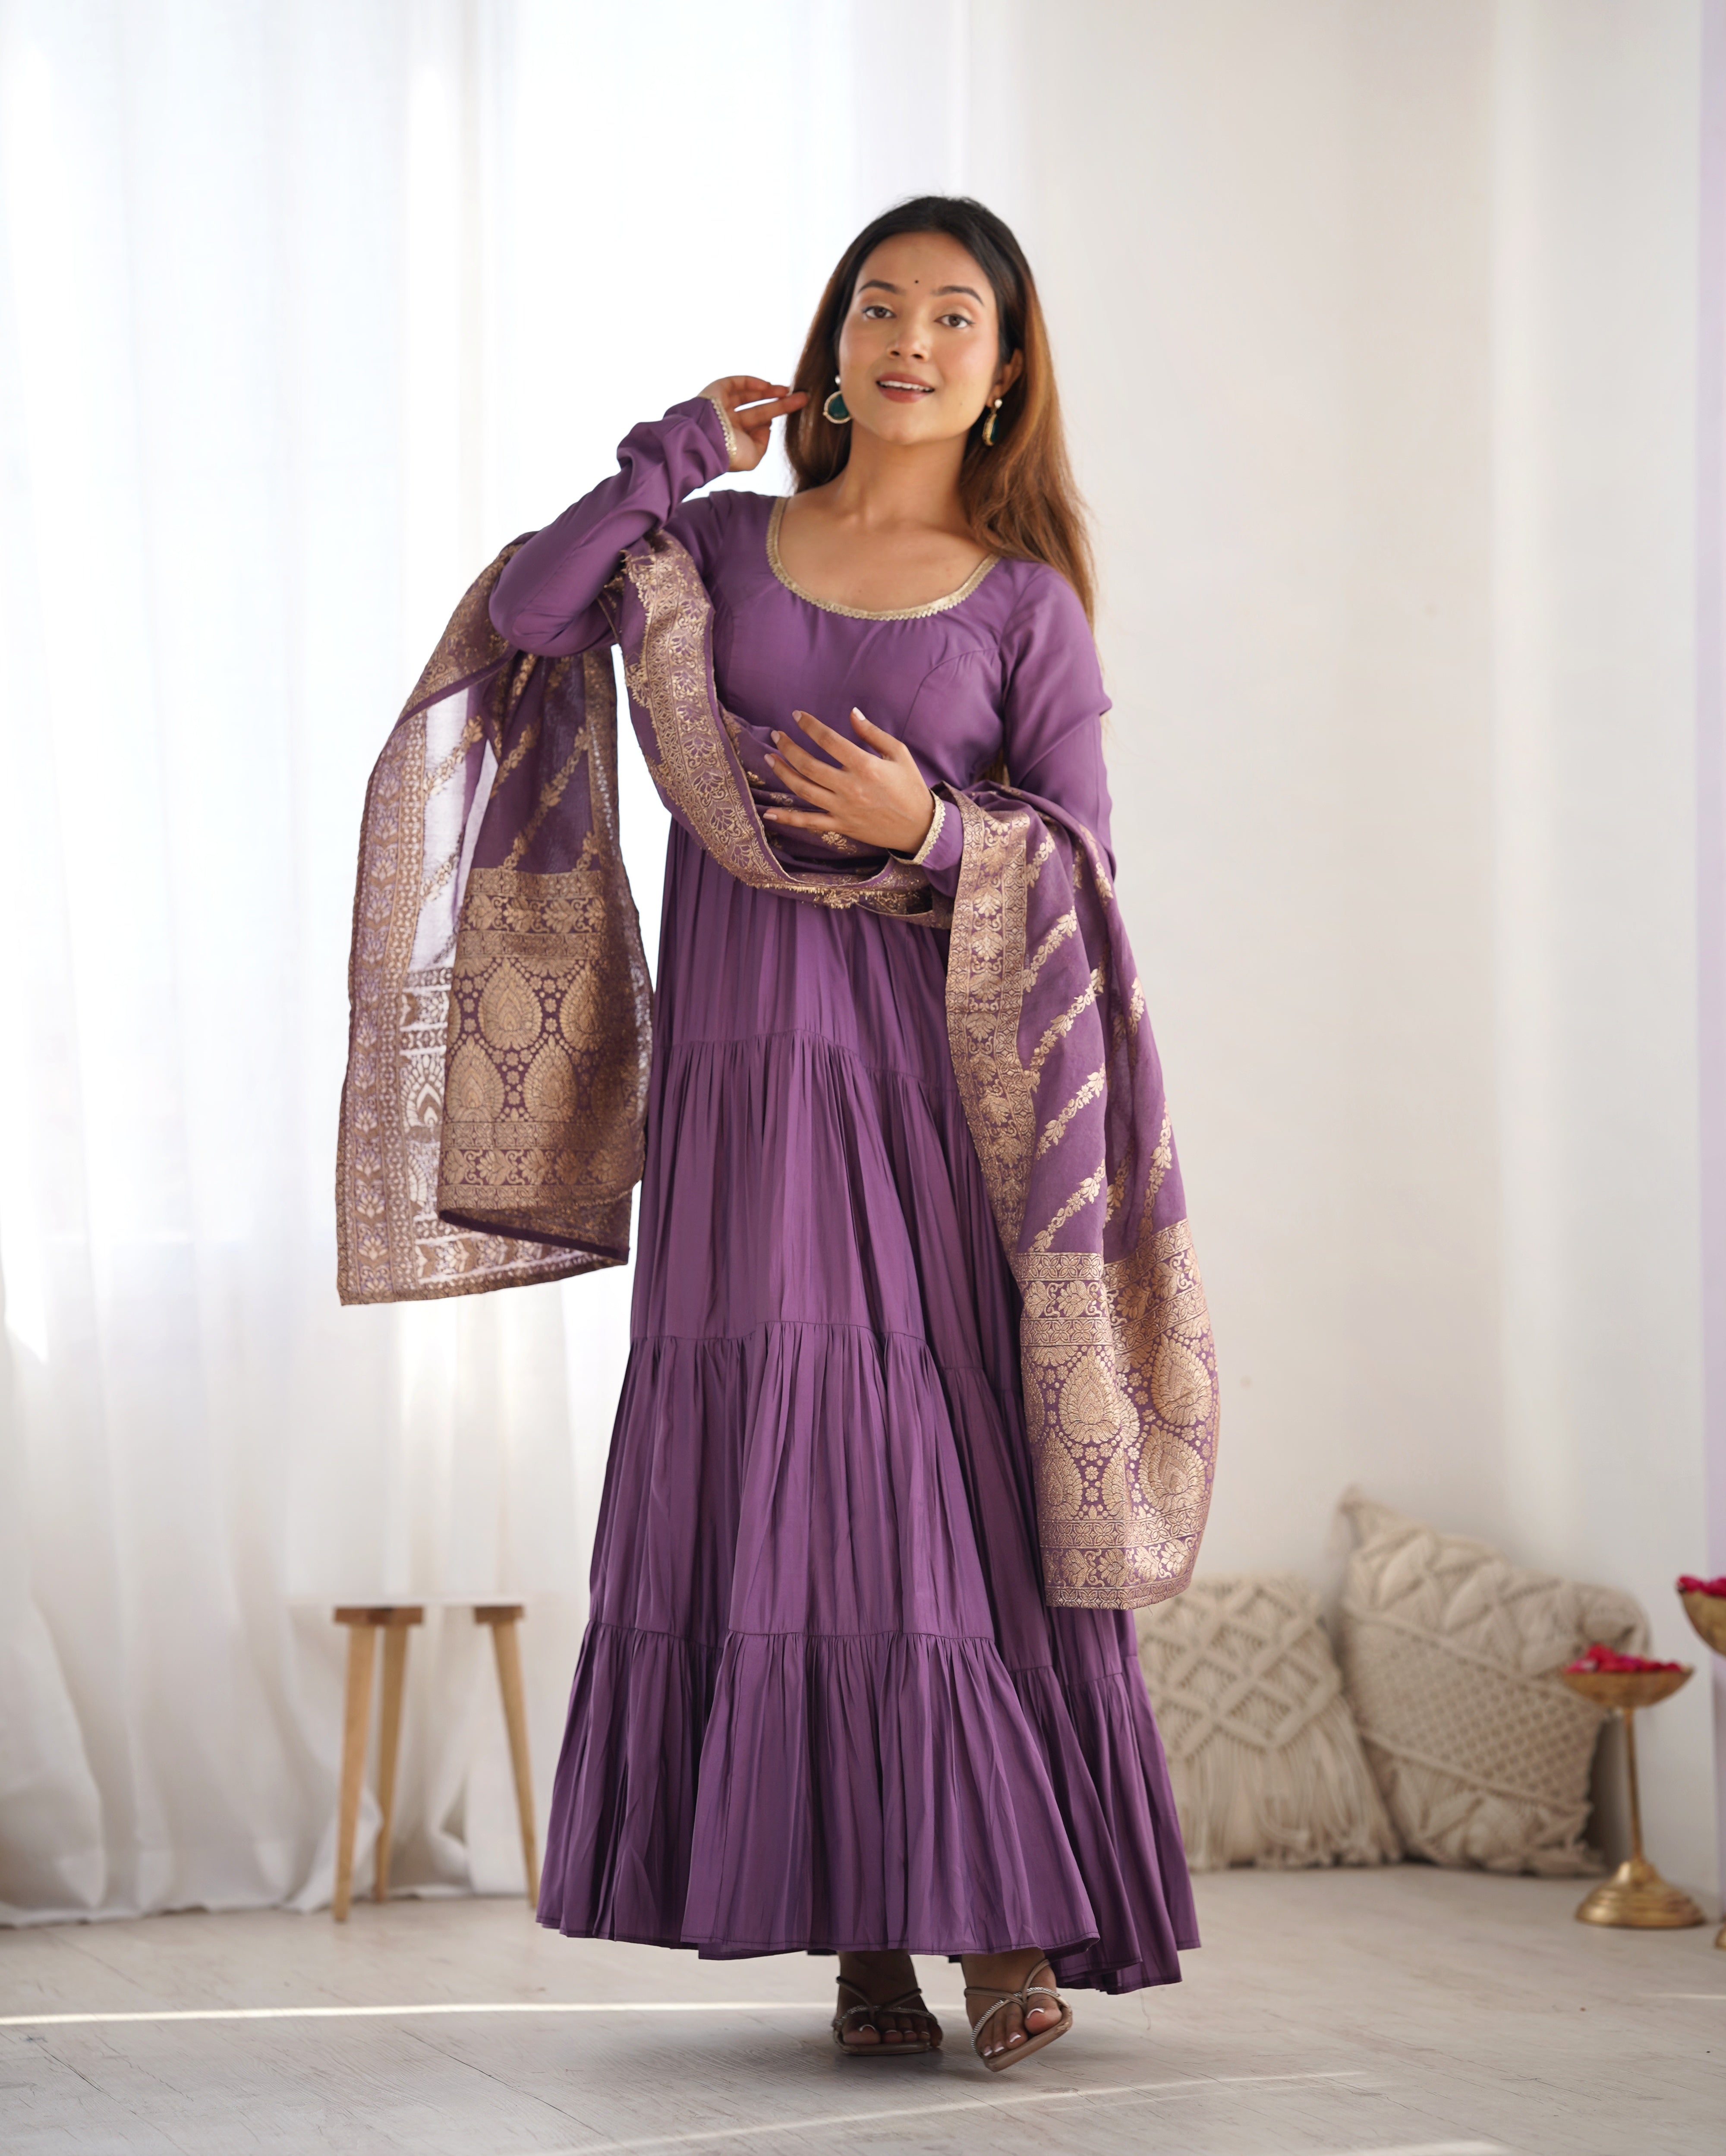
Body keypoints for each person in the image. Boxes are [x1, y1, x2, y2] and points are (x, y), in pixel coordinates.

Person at [490, 195, 1197, 2071]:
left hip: (933, 1099)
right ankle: (866, 1938)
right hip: (742, 1092)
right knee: (795, 1487)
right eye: (880, 305)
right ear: (833, 343)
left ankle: (1000, 1929)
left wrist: (936, 831)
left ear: (1004, 372)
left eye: (954, 316)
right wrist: (669, 454)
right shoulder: (719, 544)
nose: (909, 339)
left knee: (934, 1473)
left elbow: (1087, 873)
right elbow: (530, 618)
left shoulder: (1025, 604)